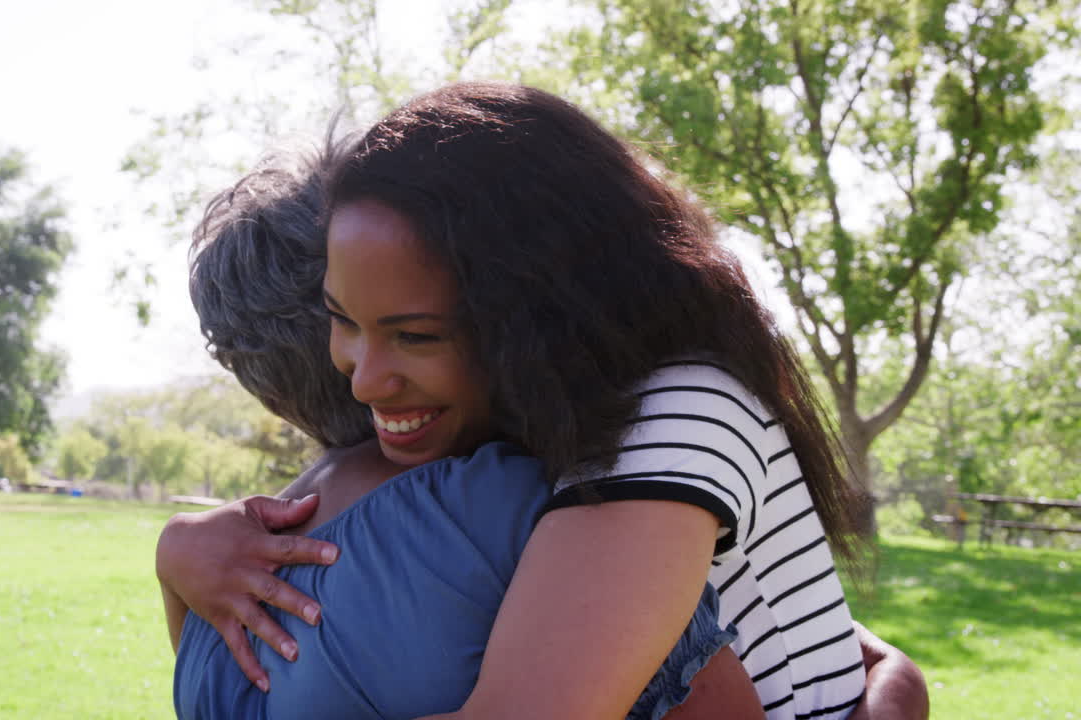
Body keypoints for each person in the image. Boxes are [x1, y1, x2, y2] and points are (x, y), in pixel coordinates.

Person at [163, 83, 929, 719]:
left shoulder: (653, 423)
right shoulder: (538, 480)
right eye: (346, 318)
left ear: (525, 305)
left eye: (417, 332)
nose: (367, 377)